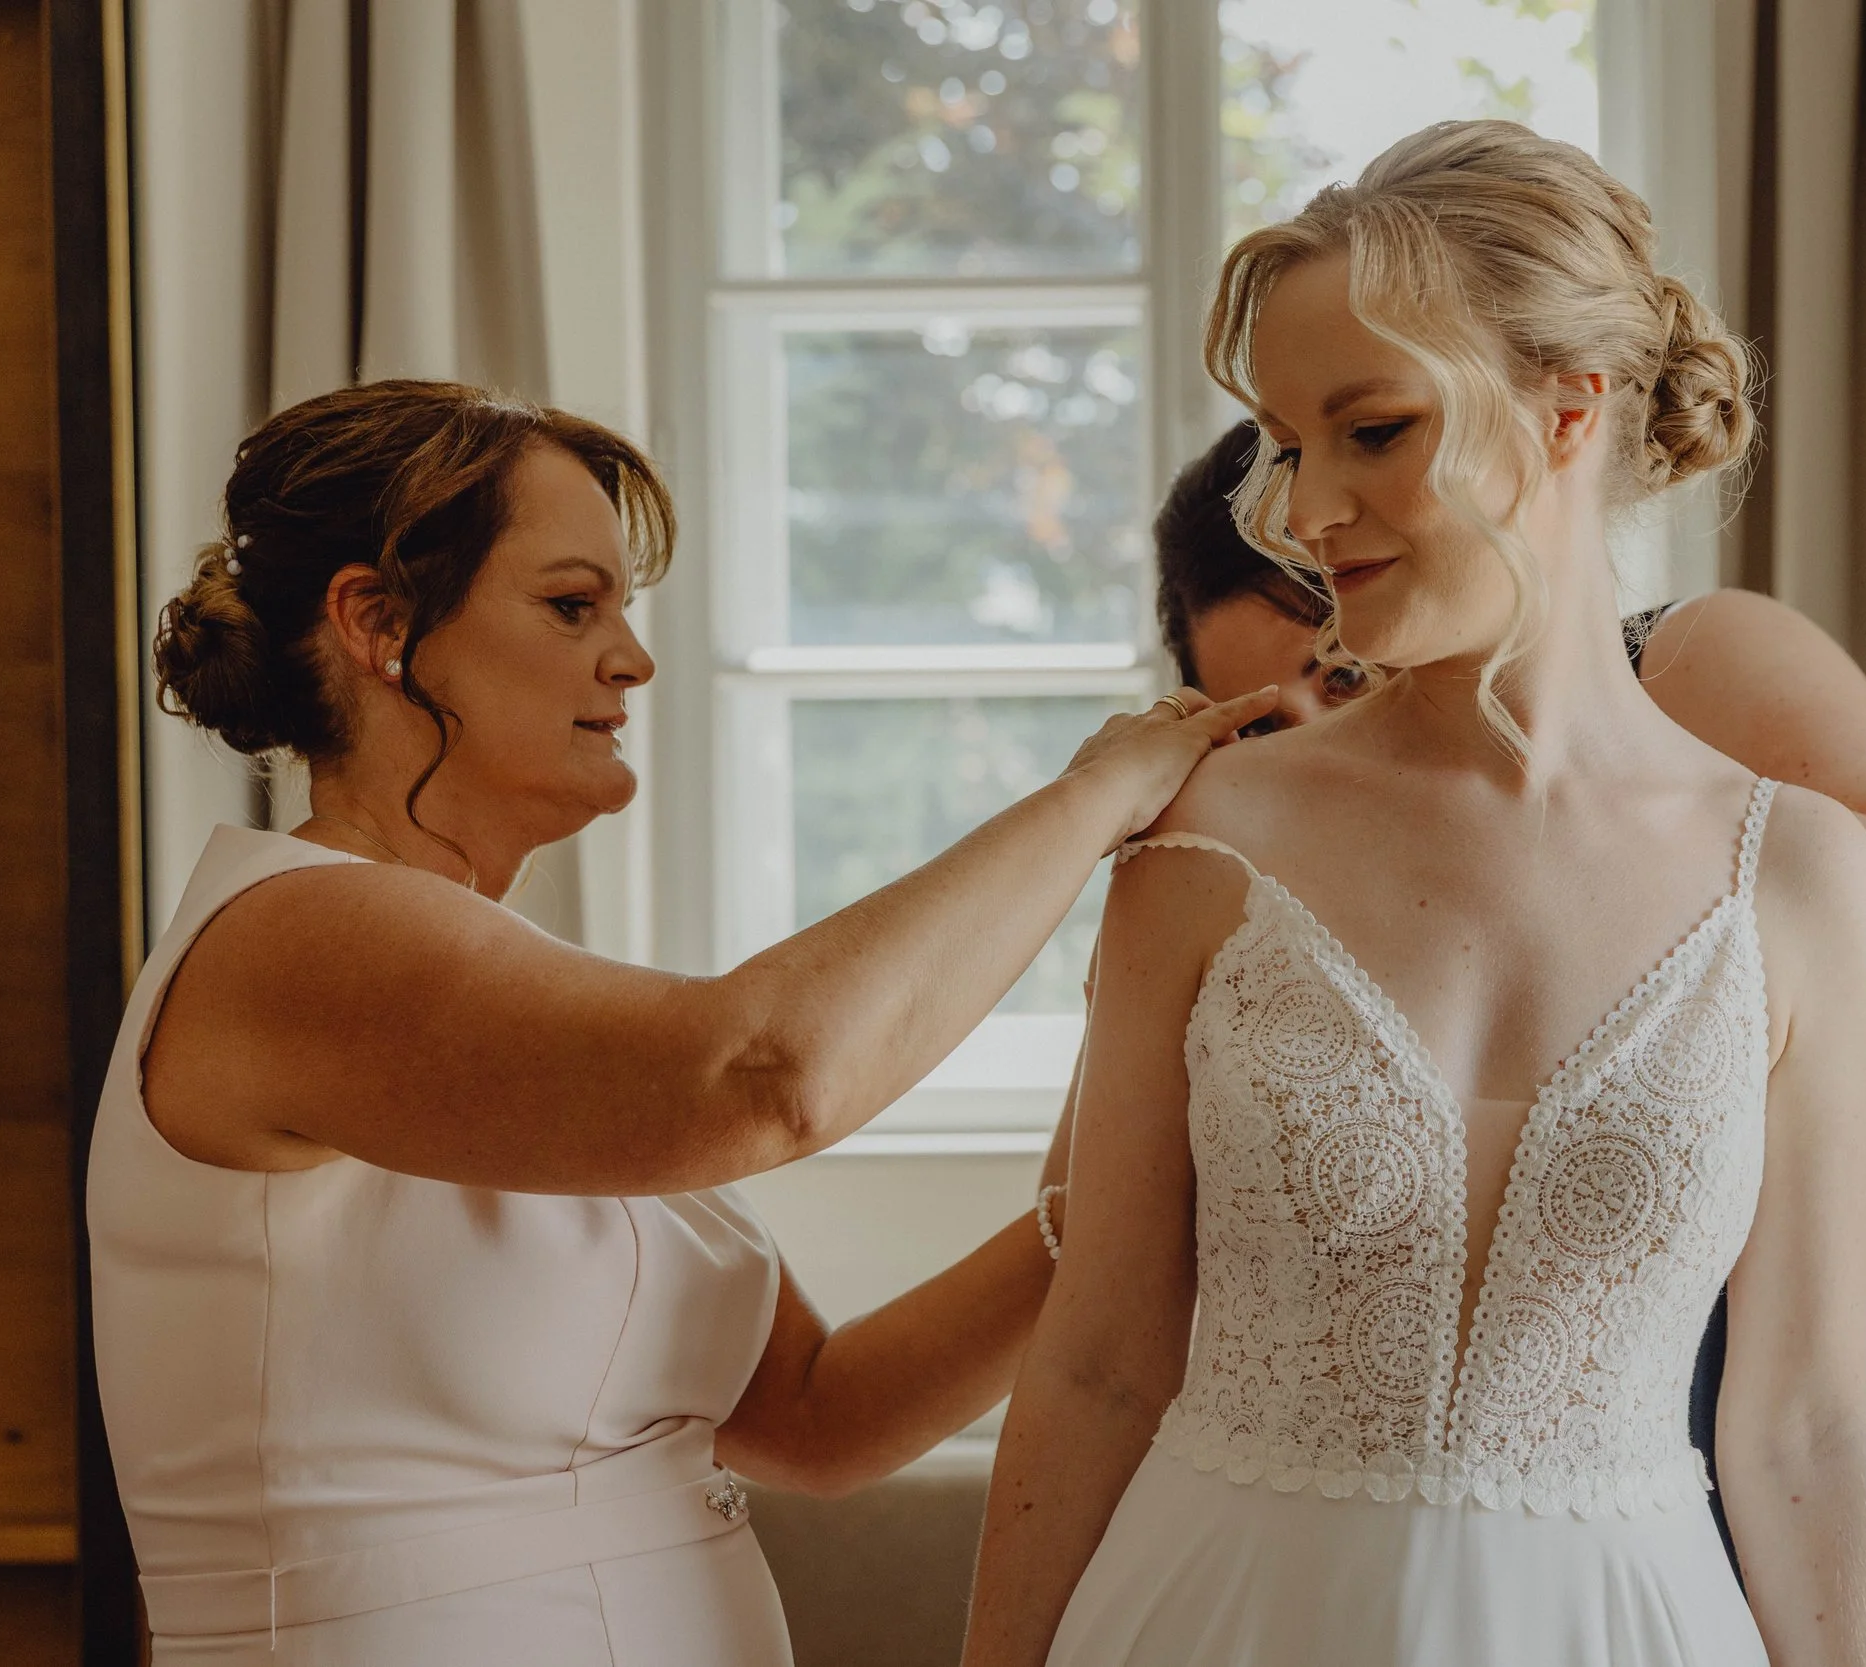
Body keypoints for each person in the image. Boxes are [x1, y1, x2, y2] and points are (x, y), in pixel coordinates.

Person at [90, 379, 1276, 1666]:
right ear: (378, 622)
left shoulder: (523, 1013)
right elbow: (768, 1075)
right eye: (571, 605)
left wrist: (1135, 1179)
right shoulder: (292, 939)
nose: (632, 660)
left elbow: (821, 1420)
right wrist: (1097, 793)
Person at [965, 121, 1866, 1667]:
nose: (1306, 510)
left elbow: (1806, 1415)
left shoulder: (1798, 873)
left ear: (1567, 408)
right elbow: (1099, 1365)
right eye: (1288, 443)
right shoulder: (1208, 836)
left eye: (1375, 430)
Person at [1133, 430, 1866, 1661]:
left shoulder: (1691, 662)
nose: (1315, 736)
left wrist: (1608, 826)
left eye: (1338, 675)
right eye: (1265, 727)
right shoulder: (1283, 878)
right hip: (1699, 1409)